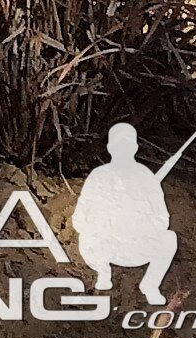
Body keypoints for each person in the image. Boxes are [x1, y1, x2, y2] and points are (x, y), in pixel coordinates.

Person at [73, 122, 178, 304]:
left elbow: (162, 218)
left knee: (169, 239)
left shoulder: (146, 177)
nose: (123, 149)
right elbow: (80, 217)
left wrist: (140, 222)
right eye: (118, 144)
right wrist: (102, 223)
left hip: (136, 246)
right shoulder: (98, 176)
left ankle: (151, 285)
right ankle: (103, 272)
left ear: (135, 147)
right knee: (86, 238)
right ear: (110, 148)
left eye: (127, 144)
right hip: (105, 245)